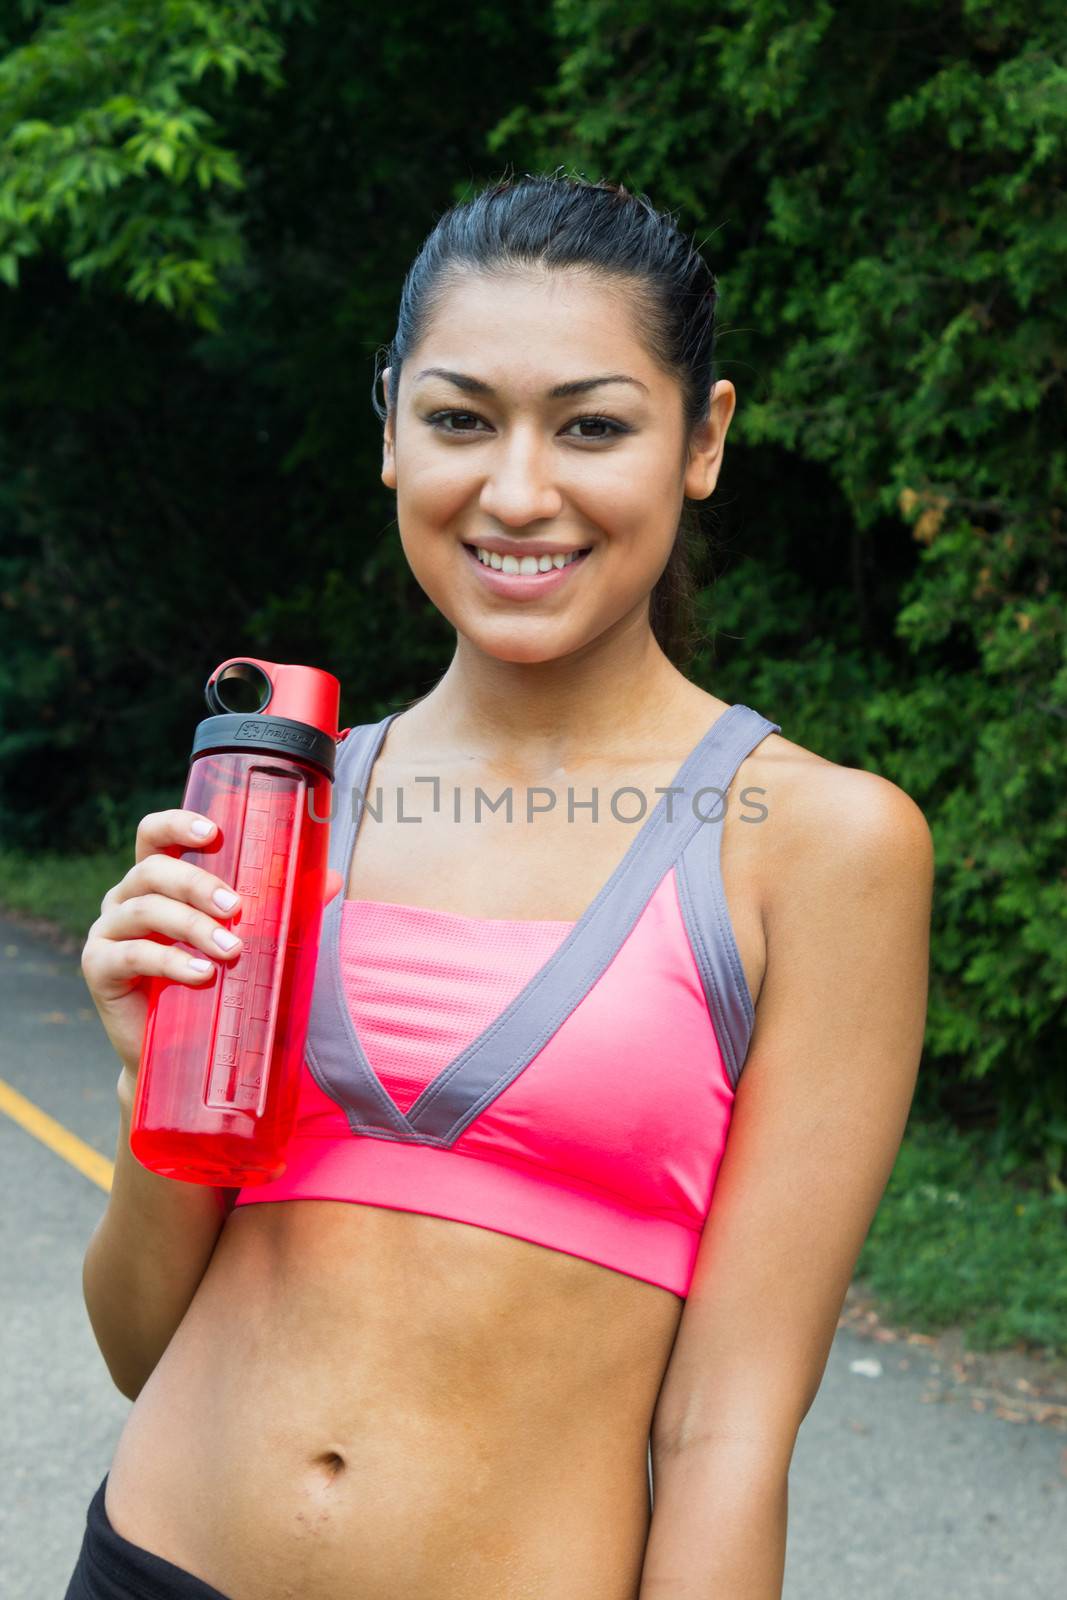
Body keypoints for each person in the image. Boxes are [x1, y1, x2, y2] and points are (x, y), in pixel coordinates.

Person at [69, 172, 934, 1600]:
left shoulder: (818, 845)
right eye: (461, 419)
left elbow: (726, 1429)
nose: (518, 490)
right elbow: (137, 1345)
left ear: (702, 439)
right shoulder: (285, 806)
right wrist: (141, 1085)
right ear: (393, 427)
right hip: (151, 1566)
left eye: (591, 425)